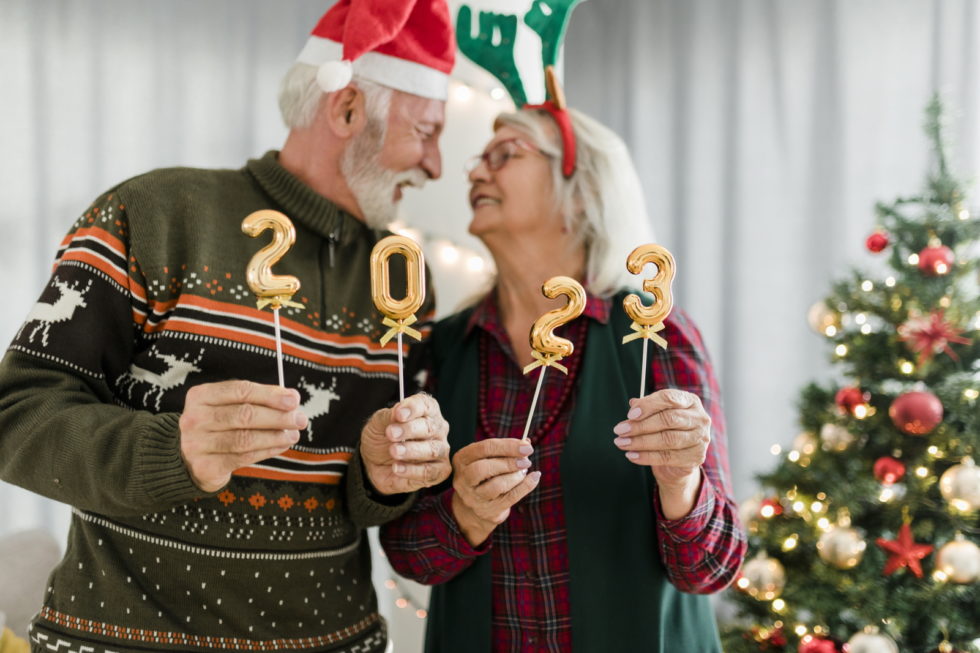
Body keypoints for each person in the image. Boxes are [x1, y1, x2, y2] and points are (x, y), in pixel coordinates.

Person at [0, 1, 456, 651]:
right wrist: (172, 451)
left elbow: (363, 500)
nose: (435, 164)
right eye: (427, 131)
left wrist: (382, 475)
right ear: (347, 109)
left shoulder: (405, 280)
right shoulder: (153, 214)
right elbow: (17, 413)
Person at [380, 102, 748, 652]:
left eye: (505, 155)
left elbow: (713, 569)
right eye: (480, 159)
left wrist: (681, 484)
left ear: (581, 191)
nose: (478, 171)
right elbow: (408, 553)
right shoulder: (445, 350)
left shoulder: (656, 339)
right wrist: (465, 515)